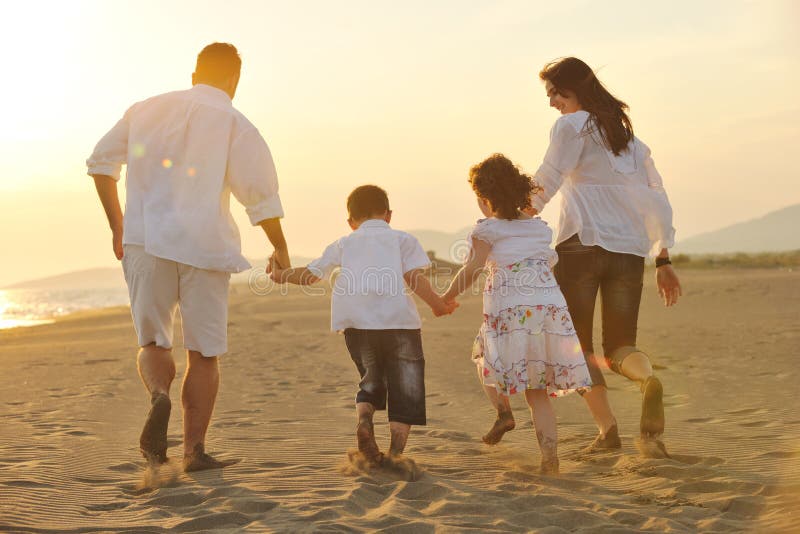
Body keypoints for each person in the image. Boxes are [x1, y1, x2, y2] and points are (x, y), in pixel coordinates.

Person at [86, 42, 290, 471]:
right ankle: (194, 451)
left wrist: (118, 226)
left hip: (144, 241)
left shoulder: (145, 109)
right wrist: (279, 246)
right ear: (234, 79)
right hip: (205, 246)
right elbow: (260, 196)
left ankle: (159, 396)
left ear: (194, 73)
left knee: (153, 341)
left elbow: (102, 163)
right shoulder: (235, 122)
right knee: (203, 353)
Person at [530, 57, 682, 454]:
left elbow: (546, 180)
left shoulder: (569, 127)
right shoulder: (631, 142)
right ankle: (647, 379)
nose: (551, 103)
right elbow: (657, 199)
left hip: (582, 244)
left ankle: (608, 431)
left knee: (576, 346)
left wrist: (510, 217)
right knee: (619, 346)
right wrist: (662, 259)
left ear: (572, 89)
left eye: (553, 93)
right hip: (629, 251)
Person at [270, 185, 456, 466]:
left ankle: (365, 420)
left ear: (351, 221)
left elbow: (310, 276)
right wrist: (437, 304)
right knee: (405, 389)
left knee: (371, 382)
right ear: (389, 215)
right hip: (400, 325)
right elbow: (413, 277)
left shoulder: (344, 243)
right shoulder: (403, 240)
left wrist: (281, 275)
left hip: (357, 326)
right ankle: (395, 456)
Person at [442, 154, 592, 475]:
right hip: (549, 311)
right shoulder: (538, 229)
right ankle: (550, 461)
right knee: (537, 392)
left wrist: (447, 297)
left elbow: (473, 268)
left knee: (483, 356)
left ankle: (503, 412)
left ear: (484, 199)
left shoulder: (487, 229)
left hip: (508, 313)